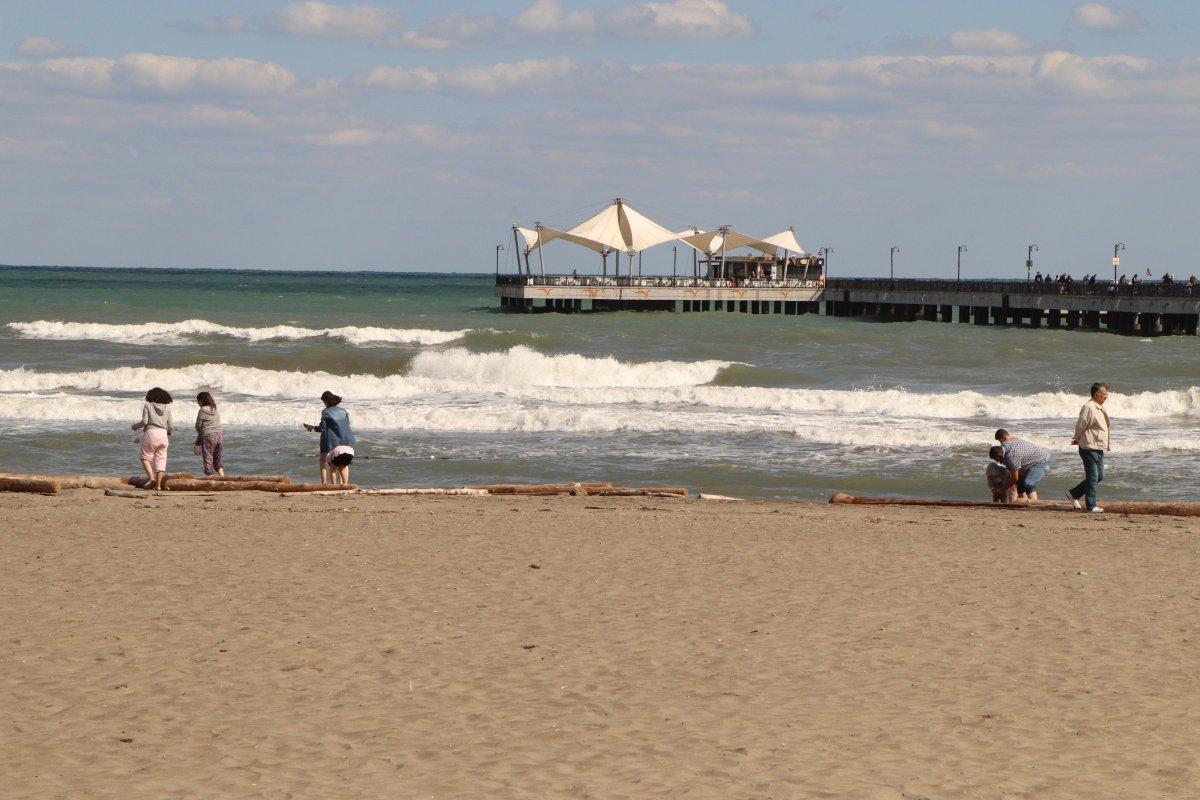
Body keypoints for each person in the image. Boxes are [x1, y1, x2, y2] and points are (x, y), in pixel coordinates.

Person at [1067, 382, 1111, 513]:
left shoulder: (1099, 407)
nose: (1106, 397)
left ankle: (1074, 494)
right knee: (1092, 477)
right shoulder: (1089, 407)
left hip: (1098, 446)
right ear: (1097, 394)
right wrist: (1077, 438)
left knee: (1099, 476)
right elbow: (1081, 424)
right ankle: (1091, 506)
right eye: (1104, 394)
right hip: (1089, 446)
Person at [304, 390, 356, 484]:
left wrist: (312, 427)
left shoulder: (326, 412)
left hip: (332, 441)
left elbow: (322, 428)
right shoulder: (343, 411)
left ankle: (324, 482)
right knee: (343, 463)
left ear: (325, 401)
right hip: (348, 439)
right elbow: (346, 423)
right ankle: (343, 484)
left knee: (323, 460)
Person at [131, 387, 173, 490]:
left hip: (151, 433)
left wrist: (136, 426)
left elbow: (144, 422)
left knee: (145, 458)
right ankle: (158, 486)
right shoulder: (167, 408)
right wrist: (168, 433)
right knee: (161, 460)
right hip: (163, 434)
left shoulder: (148, 406)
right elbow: (170, 425)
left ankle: (151, 478)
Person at [994, 428, 1051, 502]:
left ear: (1004, 438)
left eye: (1000, 441)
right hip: (1028, 461)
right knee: (1020, 485)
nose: (1001, 443)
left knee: (1028, 485)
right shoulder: (1009, 443)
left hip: (1041, 460)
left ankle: (1033, 505)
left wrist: (1002, 490)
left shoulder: (1010, 454)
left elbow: (1014, 478)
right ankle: (1023, 504)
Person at [193, 391, 224, 478]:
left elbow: (198, 425)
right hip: (220, 436)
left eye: (198, 401)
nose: (198, 403)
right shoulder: (215, 409)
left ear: (201, 401)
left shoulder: (202, 411)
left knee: (208, 460)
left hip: (209, 436)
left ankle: (210, 481)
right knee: (217, 461)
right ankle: (223, 479)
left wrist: (199, 437)